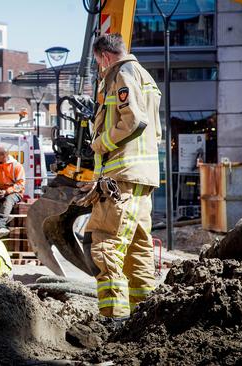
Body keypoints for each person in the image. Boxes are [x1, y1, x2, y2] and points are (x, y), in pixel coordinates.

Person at [80, 33, 161, 325]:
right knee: (138, 249)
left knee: (105, 244)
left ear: (103, 56)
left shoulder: (122, 74)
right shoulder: (145, 76)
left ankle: (113, 318)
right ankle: (144, 316)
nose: (99, 68)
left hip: (121, 177)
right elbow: (155, 130)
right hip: (143, 177)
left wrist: (101, 142)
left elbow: (134, 121)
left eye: (98, 62)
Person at [0, 147, 25, 237]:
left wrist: (6, 191)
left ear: (4, 156)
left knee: (8, 200)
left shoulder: (17, 166)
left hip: (15, 193)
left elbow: (20, 184)